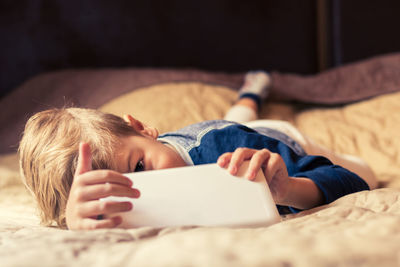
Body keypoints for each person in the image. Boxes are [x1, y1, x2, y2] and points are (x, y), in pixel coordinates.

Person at [18, 71, 376, 230]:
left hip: (270, 139)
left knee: (369, 172)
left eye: (140, 168)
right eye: (112, 189)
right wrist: (85, 225)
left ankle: (254, 91)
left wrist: (288, 188)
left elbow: (352, 181)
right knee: (229, 117)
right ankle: (247, 98)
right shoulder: (94, 208)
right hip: (207, 132)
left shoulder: (229, 148)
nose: (143, 192)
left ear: (143, 129)